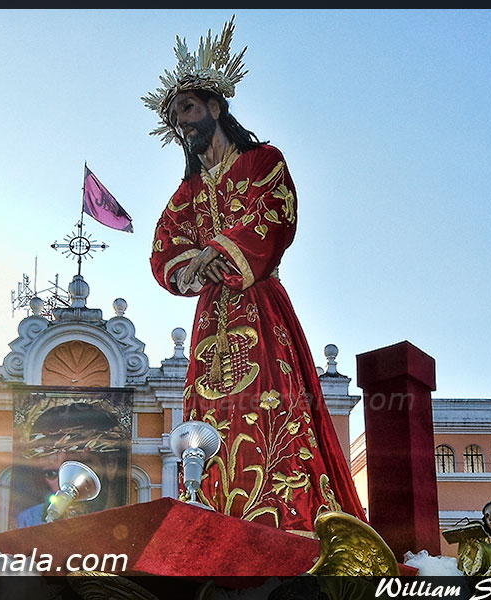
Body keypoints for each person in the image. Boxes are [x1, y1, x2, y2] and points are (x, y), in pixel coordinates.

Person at [145, 17, 366, 532]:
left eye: (188, 109)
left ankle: (285, 519)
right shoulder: (187, 193)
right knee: (207, 416)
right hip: (210, 320)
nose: (182, 123)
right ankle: (212, 515)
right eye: (175, 117)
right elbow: (164, 247)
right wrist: (191, 265)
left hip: (260, 305)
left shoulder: (264, 160)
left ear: (215, 107)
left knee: (271, 402)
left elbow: (273, 215)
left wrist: (214, 251)